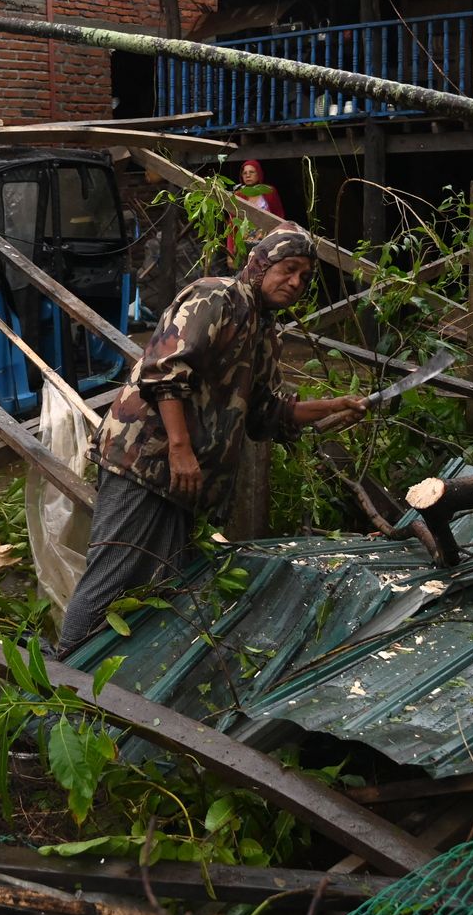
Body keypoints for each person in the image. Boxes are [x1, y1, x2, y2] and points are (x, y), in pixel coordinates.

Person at [57, 226, 368, 653]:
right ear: (260, 264)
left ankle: (116, 681)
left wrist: (331, 406)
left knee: (161, 583)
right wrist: (180, 449)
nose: (295, 282)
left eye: (305, 277)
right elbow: (165, 370)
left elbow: (265, 415)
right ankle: (60, 680)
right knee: (112, 575)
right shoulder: (215, 296)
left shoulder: (263, 332)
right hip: (145, 457)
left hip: (185, 477)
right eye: (289, 269)